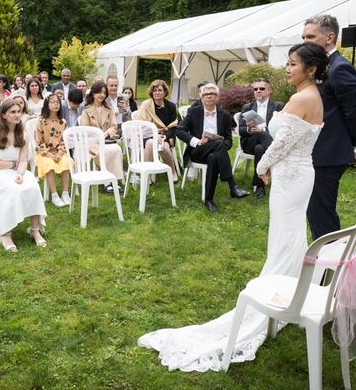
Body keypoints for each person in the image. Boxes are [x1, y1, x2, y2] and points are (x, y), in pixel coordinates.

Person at [139, 42, 328, 372]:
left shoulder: (301, 97)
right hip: (301, 173)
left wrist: (260, 167)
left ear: (310, 69)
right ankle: (289, 289)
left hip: (290, 174)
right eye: (287, 62)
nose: (287, 68)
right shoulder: (313, 97)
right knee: (291, 233)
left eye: (293, 64)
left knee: (285, 234)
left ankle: (279, 294)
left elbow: (281, 144)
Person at [302, 15, 356, 240]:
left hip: (328, 154)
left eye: (310, 36)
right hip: (316, 152)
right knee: (315, 211)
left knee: (322, 214)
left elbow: (355, 115)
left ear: (330, 37)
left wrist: (352, 144)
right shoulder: (319, 67)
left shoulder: (340, 69)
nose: (305, 41)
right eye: (303, 37)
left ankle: (329, 266)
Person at [0, 99, 47, 252]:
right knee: (12, 189)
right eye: (13, 112)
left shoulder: (23, 135)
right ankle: (5, 233)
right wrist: (12, 165)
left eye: (19, 111)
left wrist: (19, 173)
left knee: (32, 185)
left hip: (17, 171)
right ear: (4, 115)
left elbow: (23, 161)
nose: (17, 115)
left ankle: (34, 229)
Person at [175, 83, 249, 213]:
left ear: (217, 98)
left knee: (214, 157)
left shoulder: (224, 115)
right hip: (197, 151)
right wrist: (198, 141)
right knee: (218, 145)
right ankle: (232, 185)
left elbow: (229, 141)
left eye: (212, 94)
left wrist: (220, 144)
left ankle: (208, 199)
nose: (209, 96)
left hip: (215, 152)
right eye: (205, 94)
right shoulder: (194, 112)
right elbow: (179, 130)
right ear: (202, 98)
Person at [238, 78, 284, 198]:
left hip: (263, 143)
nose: (258, 91)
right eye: (255, 89)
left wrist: (263, 130)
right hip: (249, 142)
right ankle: (278, 153)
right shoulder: (247, 107)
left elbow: (282, 128)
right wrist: (249, 129)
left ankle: (259, 186)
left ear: (269, 90)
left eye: (261, 88)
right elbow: (240, 130)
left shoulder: (278, 106)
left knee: (260, 149)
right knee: (260, 135)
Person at [80, 81, 124, 193]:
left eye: (104, 93)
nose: (102, 95)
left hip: (106, 140)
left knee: (116, 149)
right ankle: (108, 182)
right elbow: (85, 129)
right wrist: (98, 135)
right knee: (100, 152)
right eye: (99, 92)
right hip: (92, 142)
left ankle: (114, 179)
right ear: (93, 94)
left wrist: (106, 134)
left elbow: (114, 127)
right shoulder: (86, 110)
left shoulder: (109, 109)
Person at [136, 80, 179, 181]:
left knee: (165, 145)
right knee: (151, 143)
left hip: (166, 134)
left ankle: (172, 172)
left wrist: (166, 136)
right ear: (151, 92)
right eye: (154, 90)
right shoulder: (146, 105)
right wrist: (155, 134)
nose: (157, 92)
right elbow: (141, 124)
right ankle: (147, 175)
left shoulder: (171, 106)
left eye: (160, 90)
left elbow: (173, 125)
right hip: (147, 134)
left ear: (165, 92)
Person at [35, 94, 72, 208]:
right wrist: (50, 155)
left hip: (59, 152)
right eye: (53, 102)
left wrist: (60, 154)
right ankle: (54, 194)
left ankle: (65, 193)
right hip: (44, 153)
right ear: (47, 104)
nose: (56, 104)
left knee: (66, 162)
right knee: (49, 164)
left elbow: (64, 141)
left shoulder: (63, 122)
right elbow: (39, 142)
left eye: (58, 102)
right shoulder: (41, 122)